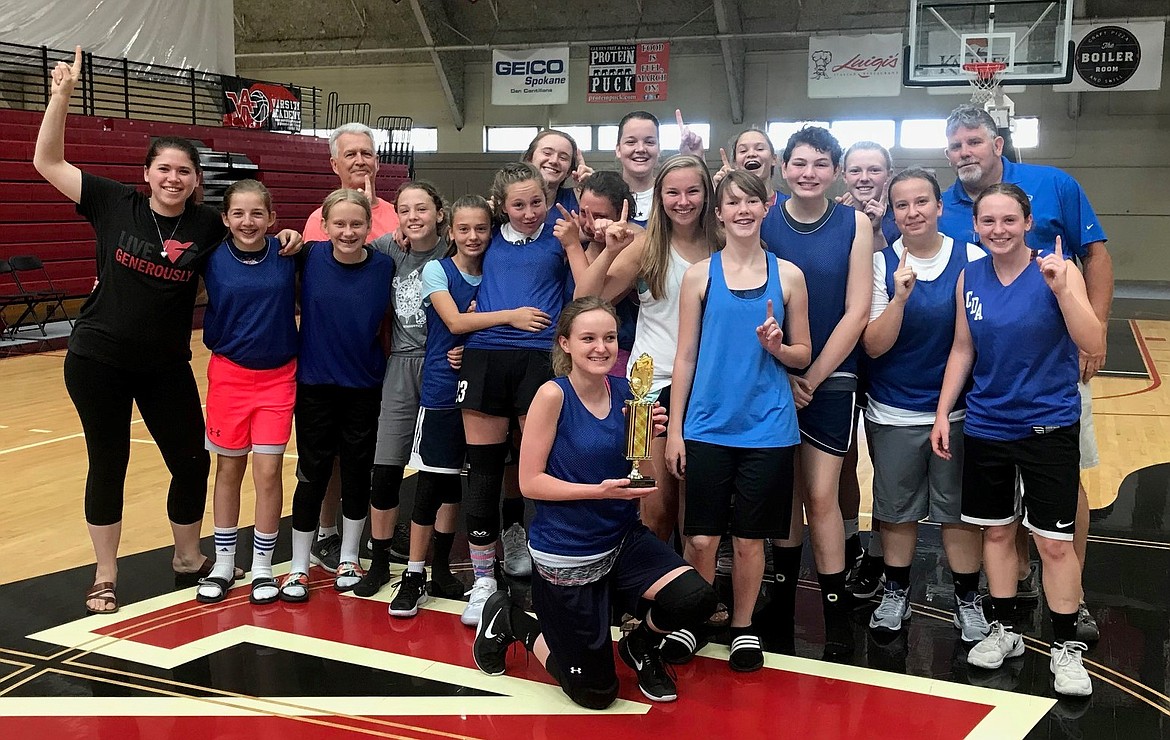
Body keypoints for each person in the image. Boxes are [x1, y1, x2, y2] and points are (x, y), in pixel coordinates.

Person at [32, 47, 299, 615]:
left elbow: (251, 246)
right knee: (110, 462)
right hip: (97, 358)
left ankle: (186, 556)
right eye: (164, 169)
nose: (173, 177)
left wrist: (286, 239)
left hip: (164, 364)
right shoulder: (113, 202)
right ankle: (105, 575)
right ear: (147, 174)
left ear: (196, 180)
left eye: (184, 171)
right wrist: (60, 98)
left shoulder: (208, 223)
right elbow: (47, 163)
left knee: (192, 459)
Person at [472, 297, 718, 706]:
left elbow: (642, 479)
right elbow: (529, 482)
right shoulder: (552, 396)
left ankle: (640, 646)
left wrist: (648, 439)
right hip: (568, 550)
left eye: (608, 338)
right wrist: (597, 491)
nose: (601, 347)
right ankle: (514, 621)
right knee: (596, 694)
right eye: (588, 338)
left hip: (621, 538)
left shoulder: (626, 392)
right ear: (566, 343)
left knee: (696, 597)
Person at [937, 104, 1112, 641]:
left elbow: (1096, 262)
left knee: (1058, 520)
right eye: (957, 145)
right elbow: (963, 345)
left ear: (997, 143)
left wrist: (1081, 312)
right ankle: (1005, 623)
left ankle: (1070, 607)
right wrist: (944, 410)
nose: (998, 228)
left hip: (1049, 401)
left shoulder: (1053, 191)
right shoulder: (955, 234)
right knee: (997, 530)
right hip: (991, 413)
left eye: (975, 141)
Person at [666, 170, 811, 671]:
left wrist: (779, 347)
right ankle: (696, 618)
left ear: (767, 205)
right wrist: (678, 429)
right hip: (707, 424)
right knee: (701, 537)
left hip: (767, 428)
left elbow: (802, 353)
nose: (743, 210)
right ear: (720, 213)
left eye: (752, 201)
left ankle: (743, 626)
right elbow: (684, 356)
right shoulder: (699, 275)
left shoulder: (788, 275)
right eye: (733, 203)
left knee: (751, 539)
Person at [388, 195, 551, 616]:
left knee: (497, 472)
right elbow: (457, 323)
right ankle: (413, 573)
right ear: (450, 231)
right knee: (433, 486)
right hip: (444, 391)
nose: (474, 237)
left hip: (486, 380)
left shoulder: (496, 271)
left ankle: (446, 569)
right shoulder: (437, 270)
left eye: (481, 228)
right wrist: (507, 317)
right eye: (464, 229)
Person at [456, 162, 587, 625]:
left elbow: (586, 289)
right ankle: (483, 581)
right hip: (486, 356)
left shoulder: (563, 234)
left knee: (543, 466)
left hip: (539, 358)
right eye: (518, 204)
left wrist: (575, 240)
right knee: (485, 469)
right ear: (500, 206)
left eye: (537, 202)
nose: (530, 211)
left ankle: (555, 567)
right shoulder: (485, 235)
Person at [861, 168, 988, 641]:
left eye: (921, 202)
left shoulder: (972, 258)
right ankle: (896, 593)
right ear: (892, 213)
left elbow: (977, 339)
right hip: (894, 410)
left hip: (957, 412)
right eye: (901, 205)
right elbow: (874, 346)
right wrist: (899, 297)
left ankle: (967, 601)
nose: (912, 212)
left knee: (957, 513)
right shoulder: (880, 264)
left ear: (939, 207)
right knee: (896, 511)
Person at [764, 126, 873, 659]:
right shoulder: (762, 219)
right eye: (799, 162)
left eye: (820, 163)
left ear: (835, 171)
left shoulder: (854, 222)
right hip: (771, 374)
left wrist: (813, 375)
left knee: (821, 494)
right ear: (784, 167)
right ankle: (780, 594)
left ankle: (833, 600)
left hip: (831, 376)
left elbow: (858, 311)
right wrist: (785, 372)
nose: (809, 172)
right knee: (782, 490)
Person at [573, 156, 718, 546]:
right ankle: (645, 599)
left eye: (693, 191)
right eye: (673, 192)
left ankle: (688, 599)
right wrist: (606, 249)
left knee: (698, 518)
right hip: (644, 391)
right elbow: (584, 302)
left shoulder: (723, 246)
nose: (683, 201)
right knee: (651, 507)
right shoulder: (645, 246)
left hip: (707, 388)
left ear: (707, 194)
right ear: (659, 197)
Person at [279, 190, 394, 601]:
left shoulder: (385, 265)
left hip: (364, 386)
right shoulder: (306, 257)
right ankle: (297, 565)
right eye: (339, 224)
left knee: (357, 472)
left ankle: (349, 556)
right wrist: (287, 236)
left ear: (368, 227)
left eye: (356, 224)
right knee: (312, 473)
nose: (348, 231)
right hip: (315, 387)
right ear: (324, 226)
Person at [303, 122, 402, 574]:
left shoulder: (397, 218)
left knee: (367, 456)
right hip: (323, 368)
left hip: (377, 362)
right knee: (322, 462)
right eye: (351, 154)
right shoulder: (313, 233)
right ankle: (324, 532)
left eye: (367, 152)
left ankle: (365, 532)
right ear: (334, 163)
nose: (360, 160)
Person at [195, 180, 298, 606]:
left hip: (278, 377)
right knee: (229, 470)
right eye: (238, 213)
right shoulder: (212, 259)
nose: (248, 221)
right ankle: (223, 562)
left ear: (272, 218)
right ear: (225, 219)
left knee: (269, 473)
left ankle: (261, 566)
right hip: (229, 376)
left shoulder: (291, 254)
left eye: (257, 213)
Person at [352, 181, 451, 597]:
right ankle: (377, 561)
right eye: (405, 210)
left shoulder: (456, 250)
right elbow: (346, 244)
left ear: (439, 213)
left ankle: (440, 567)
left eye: (422, 208)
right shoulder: (390, 250)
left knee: (442, 471)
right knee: (386, 466)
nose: (413, 217)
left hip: (445, 364)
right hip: (401, 365)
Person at [837, 140, 899, 598]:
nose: (864, 177)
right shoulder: (832, 216)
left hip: (885, 357)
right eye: (855, 169)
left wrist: (877, 229)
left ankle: (879, 553)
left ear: (888, 173)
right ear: (843, 174)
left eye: (873, 169)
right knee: (840, 458)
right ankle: (847, 541)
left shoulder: (906, 216)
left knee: (885, 462)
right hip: (838, 354)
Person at [522, 129, 591, 222]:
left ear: (569, 171)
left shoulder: (577, 199)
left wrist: (593, 188)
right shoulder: (505, 201)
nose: (554, 161)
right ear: (529, 159)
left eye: (563, 158)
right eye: (547, 153)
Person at [712, 127, 785, 206]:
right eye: (743, 150)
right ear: (735, 163)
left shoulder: (789, 206)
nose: (751, 154)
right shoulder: (724, 208)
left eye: (760, 149)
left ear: (774, 159)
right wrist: (719, 195)